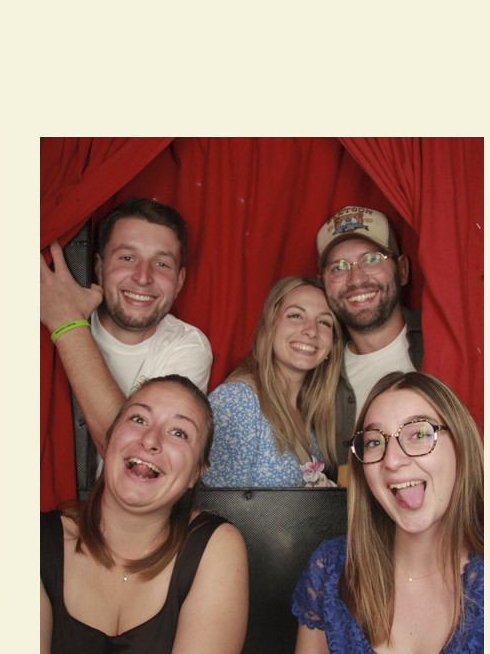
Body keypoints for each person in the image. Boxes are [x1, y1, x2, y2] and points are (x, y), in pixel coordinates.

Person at [40, 376, 248, 654]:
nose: (151, 440)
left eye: (179, 433)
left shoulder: (216, 546)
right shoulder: (36, 541)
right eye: (138, 419)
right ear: (110, 438)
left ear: (196, 473)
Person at [290, 371, 483, 654]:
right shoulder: (331, 568)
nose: (393, 460)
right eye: (375, 442)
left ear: (461, 445)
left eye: (419, 433)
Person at [40, 197, 213, 460]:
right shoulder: (41, 333)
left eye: (161, 264)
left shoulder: (188, 346)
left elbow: (132, 455)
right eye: (128, 258)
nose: (143, 277)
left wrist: (67, 323)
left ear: (179, 281)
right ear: (99, 268)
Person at [201, 278, 342, 488]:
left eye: (324, 322)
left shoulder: (310, 415)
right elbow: (216, 504)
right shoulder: (237, 400)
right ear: (270, 326)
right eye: (296, 316)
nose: (311, 330)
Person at [316, 205, 424, 466]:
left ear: (402, 270)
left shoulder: (449, 344)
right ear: (323, 284)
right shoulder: (315, 372)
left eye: (372, 260)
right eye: (338, 268)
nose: (355, 280)